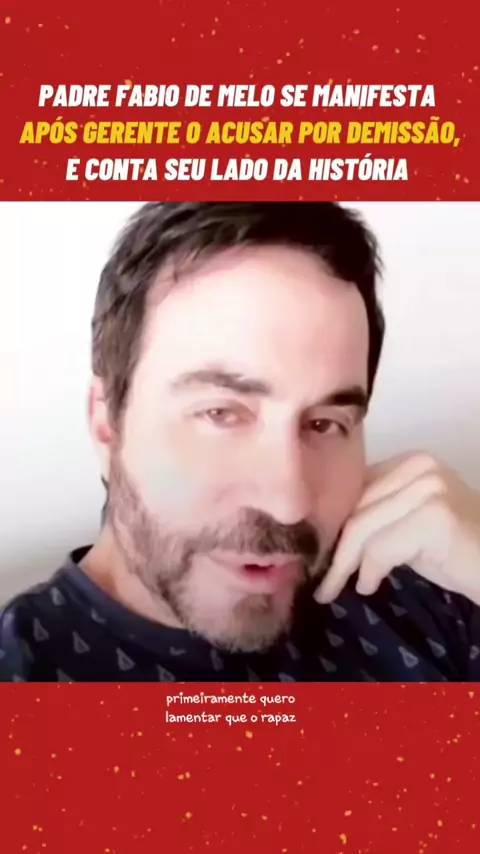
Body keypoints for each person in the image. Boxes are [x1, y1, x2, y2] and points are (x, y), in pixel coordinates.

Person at [1, 201, 480, 683]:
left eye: (323, 424)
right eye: (220, 414)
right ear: (107, 424)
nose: (288, 505)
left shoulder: (434, 590)